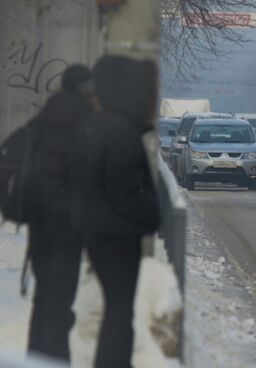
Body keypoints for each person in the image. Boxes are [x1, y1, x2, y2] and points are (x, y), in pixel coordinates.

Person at [68, 55, 160, 368]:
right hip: (117, 237)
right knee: (120, 315)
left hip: (100, 233)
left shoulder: (97, 126)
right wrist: (154, 214)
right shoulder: (121, 132)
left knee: (117, 313)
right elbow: (125, 192)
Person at [26, 64, 95, 363]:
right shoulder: (89, 119)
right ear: (85, 89)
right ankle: (56, 357)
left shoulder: (44, 115)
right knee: (62, 289)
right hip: (69, 220)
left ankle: (35, 354)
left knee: (43, 291)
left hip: (38, 216)